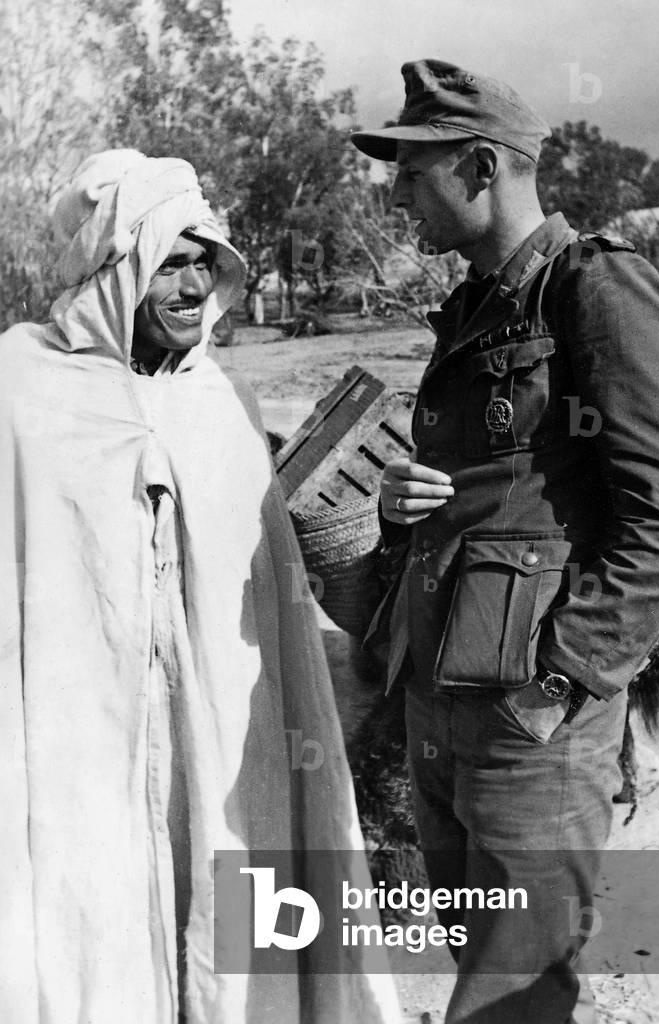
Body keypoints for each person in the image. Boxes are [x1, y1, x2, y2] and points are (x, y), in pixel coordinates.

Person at [352, 60, 659, 1023]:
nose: (396, 194)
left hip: (532, 723)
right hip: (449, 701)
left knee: (513, 995)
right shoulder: (479, 304)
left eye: (412, 170)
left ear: (480, 166)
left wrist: (561, 684)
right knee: (482, 963)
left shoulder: (596, 287)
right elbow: (509, 490)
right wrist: (409, 503)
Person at [0, 151, 400, 1024]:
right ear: (115, 276)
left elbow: (271, 602)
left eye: (204, 262)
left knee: (231, 887)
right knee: (89, 907)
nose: (192, 287)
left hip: (216, 724)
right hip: (84, 734)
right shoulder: (24, 393)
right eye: (167, 264)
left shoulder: (221, 403)